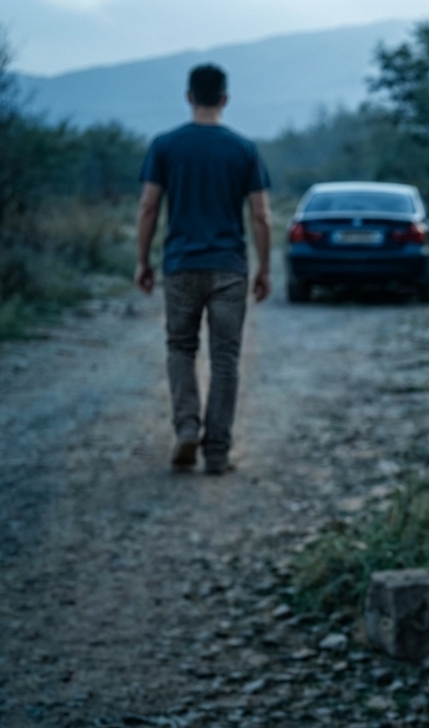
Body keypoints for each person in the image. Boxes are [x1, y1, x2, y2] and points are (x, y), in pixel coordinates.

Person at [134, 63, 272, 474]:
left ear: (189, 97)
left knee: (181, 348)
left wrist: (143, 261)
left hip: (181, 266)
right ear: (225, 99)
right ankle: (216, 453)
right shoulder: (244, 149)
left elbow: (148, 207)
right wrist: (264, 268)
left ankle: (187, 427)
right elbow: (261, 215)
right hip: (229, 268)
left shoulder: (165, 145)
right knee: (225, 358)